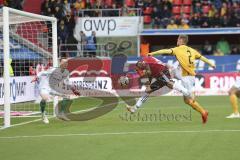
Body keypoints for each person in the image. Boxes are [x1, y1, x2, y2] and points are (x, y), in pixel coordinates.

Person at [148, 35, 216, 124]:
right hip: (187, 75)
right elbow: (202, 57)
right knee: (172, 71)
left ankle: (203, 112)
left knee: (188, 100)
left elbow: (165, 51)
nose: (177, 41)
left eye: (178, 39)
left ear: (181, 40)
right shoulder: (192, 50)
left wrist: (152, 53)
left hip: (186, 78)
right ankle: (164, 82)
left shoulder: (177, 49)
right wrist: (211, 64)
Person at [32, 58, 80, 124]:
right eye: (63, 63)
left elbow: (68, 83)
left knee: (67, 97)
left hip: (53, 88)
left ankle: (61, 114)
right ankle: (43, 114)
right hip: (44, 87)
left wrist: (74, 90)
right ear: (60, 63)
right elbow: (42, 72)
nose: (65, 64)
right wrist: (36, 77)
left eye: (66, 63)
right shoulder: (53, 69)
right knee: (45, 98)